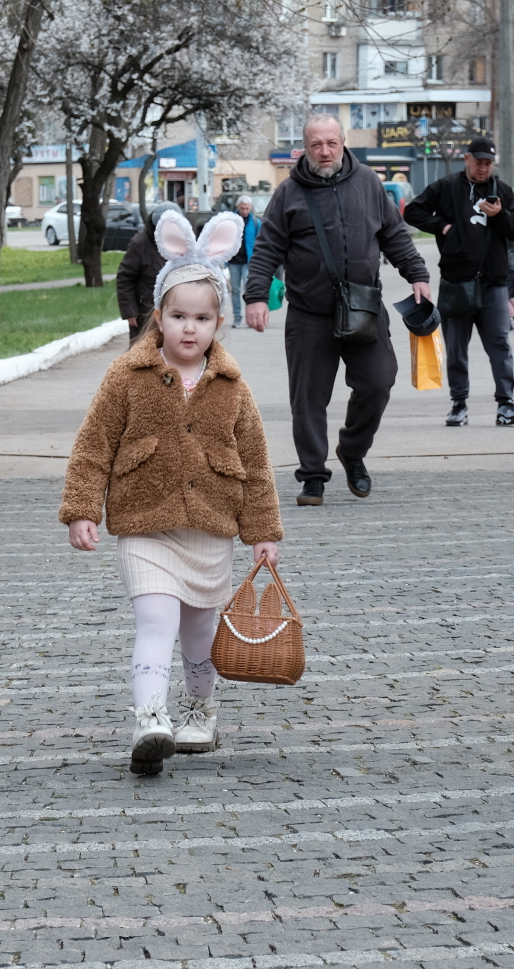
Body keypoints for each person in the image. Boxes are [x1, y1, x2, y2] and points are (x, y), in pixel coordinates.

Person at [61, 210, 282, 776]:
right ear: (158, 316)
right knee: (155, 620)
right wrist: (83, 509)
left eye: (202, 318)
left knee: (199, 636)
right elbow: (93, 445)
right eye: (178, 316)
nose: (189, 328)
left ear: (218, 323)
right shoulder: (126, 376)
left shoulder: (232, 387)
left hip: (209, 527)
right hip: (145, 525)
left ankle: (200, 707)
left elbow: (255, 462)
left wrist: (262, 533)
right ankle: (150, 719)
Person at [243, 115, 431, 507]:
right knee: (308, 398)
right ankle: (313, 476)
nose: (324, 151)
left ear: (343, 143)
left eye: (331, 143)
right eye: (316, 145)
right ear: (304, 149)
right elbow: (267, 249)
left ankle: (352, 450)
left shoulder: (367, 182)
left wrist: (417, 274)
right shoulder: (289, 192)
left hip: (364, 305)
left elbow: (394, 234)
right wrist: (256, 296)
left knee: (379, 381)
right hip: (309, 314)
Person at [403, 136, 514, 428]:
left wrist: (500, 216)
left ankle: (506, 404)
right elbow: (412, 211)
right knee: (457, 348)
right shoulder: (446, 188)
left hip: (494, 284)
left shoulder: (502, 191)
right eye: (478, 162)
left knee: (499, 344)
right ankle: (459, 405)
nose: (483, 169)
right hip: (457, 282)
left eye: (488, 164)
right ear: (467, 159)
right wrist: (442, 226)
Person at [115, 201, 181, 342]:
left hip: (177, 313)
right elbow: (125, 278)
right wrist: (130, 312)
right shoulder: (140, 243)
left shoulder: (183, 243)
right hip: (145, 314)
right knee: (144, 356)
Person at [227, 195, 259, 328]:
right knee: (235, 290)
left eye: (247, 208)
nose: (245, 211)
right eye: (242, 208)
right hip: (233, 261)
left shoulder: (256, 223)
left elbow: (261, 241)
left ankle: (249, 318)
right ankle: (237, 318)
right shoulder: (230, 221)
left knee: (248, 289)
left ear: (250, 208)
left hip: (248, 261)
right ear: (237, 207)